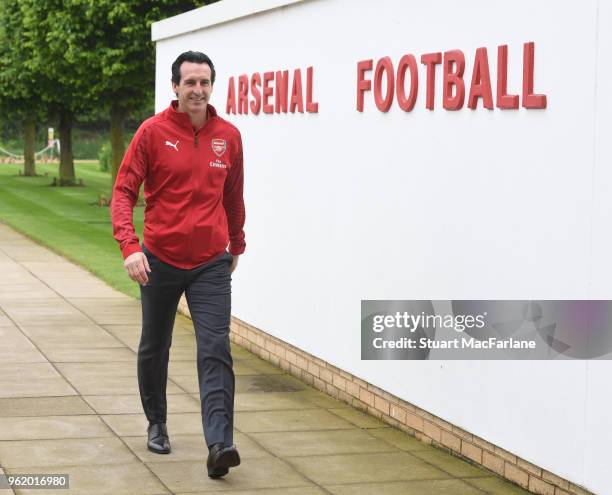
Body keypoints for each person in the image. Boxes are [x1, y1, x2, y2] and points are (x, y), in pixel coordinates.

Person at [111, 51, 245, 479]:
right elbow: (123, 192)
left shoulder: (229, 136)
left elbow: (233, 197)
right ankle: (157, 422)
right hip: (159, 261)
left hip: (210, 262)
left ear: (212, 86)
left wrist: (236, 244)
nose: (198, 90)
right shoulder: (151, 133)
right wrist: (130, 246)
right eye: (190, 82)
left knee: (215, 347)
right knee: (156, 345)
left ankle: (220, 444)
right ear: (175, 87)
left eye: (204, 82)